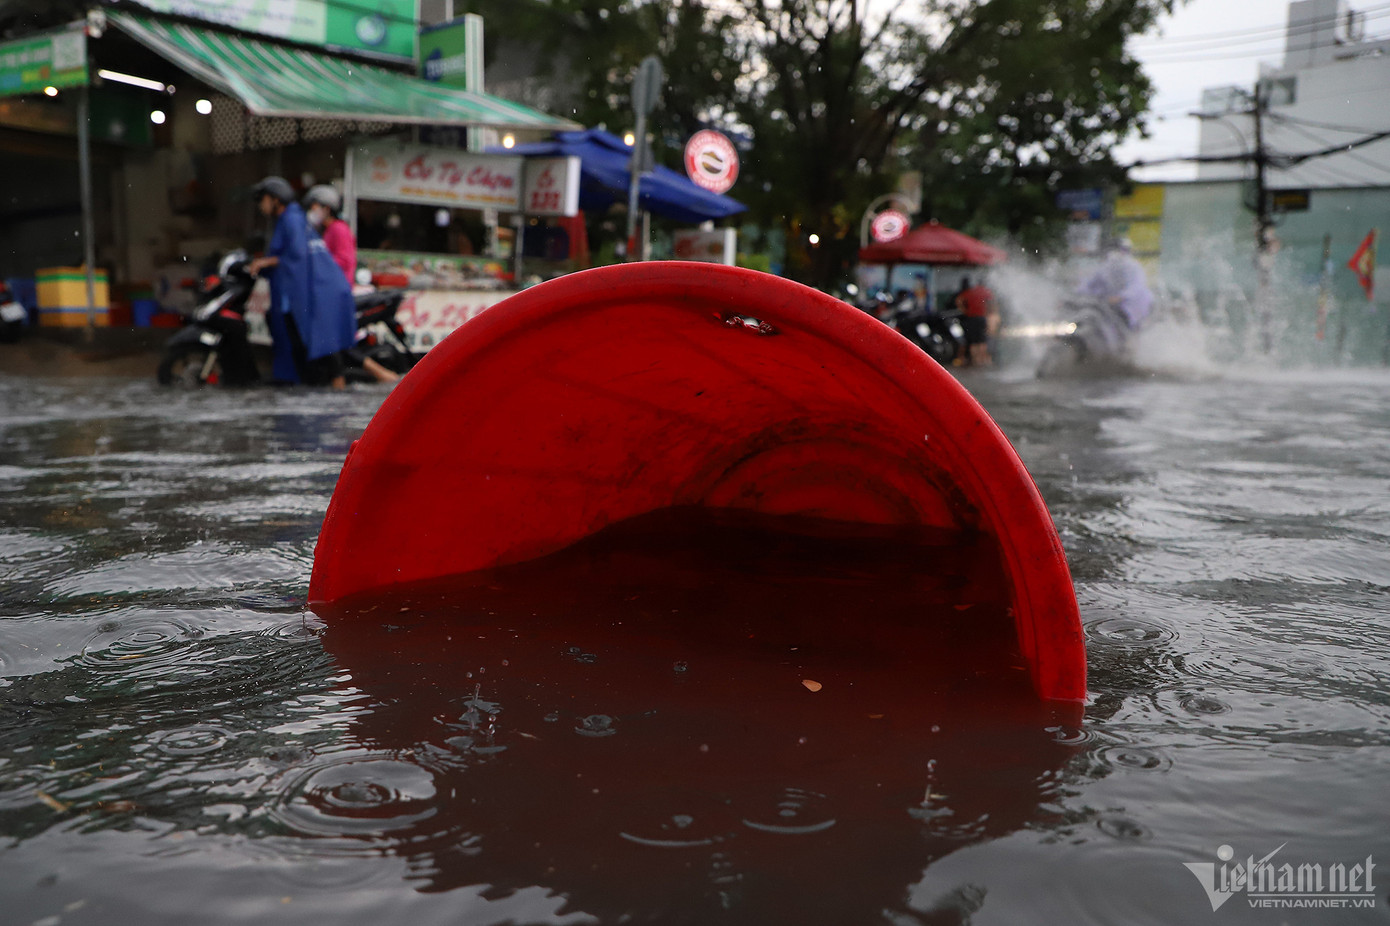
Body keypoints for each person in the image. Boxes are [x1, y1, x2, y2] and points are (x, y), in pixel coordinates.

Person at [246, 176, 355, 388]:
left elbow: (296, 255)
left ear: (276, 199)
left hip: (305, 293)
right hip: (298, 292)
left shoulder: (292, 219)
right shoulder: (291, 219)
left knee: (311, 343)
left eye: (264, 200)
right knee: (300, 344)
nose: (261, 206)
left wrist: (264, 262)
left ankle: (331, 387)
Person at [304, 184, 400, 385]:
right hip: (327, 295)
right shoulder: (326, 231)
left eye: (314, 207)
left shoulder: (339, 229)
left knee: (336, 343)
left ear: (326, 208)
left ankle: (382, 375)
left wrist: (319, 264)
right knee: (333, 344)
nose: (311, 212)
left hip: (337, 294)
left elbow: (345, 261)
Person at [1078, 238, 1153, 331]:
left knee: (1122, 322)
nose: (1114, 253)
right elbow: (1089, 283)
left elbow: (1136, 287)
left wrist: (1120, 297)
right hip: (1107, 304)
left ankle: (1127, 342)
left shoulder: (1133, 267)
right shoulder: (1105, 267)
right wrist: (1076, 295)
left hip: (1132, 305)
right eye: (1113, 250)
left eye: (1118, 250)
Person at [954, 276, 998, 366]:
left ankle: (975, 361)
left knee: (973, 342)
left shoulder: (971, 291)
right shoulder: (986, 292)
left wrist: (964, 309)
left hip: (971, 318)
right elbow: (992, 304)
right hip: (981, 318)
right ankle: (982, 361)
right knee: (982, 341)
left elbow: (958, 300)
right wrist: (990, 312)